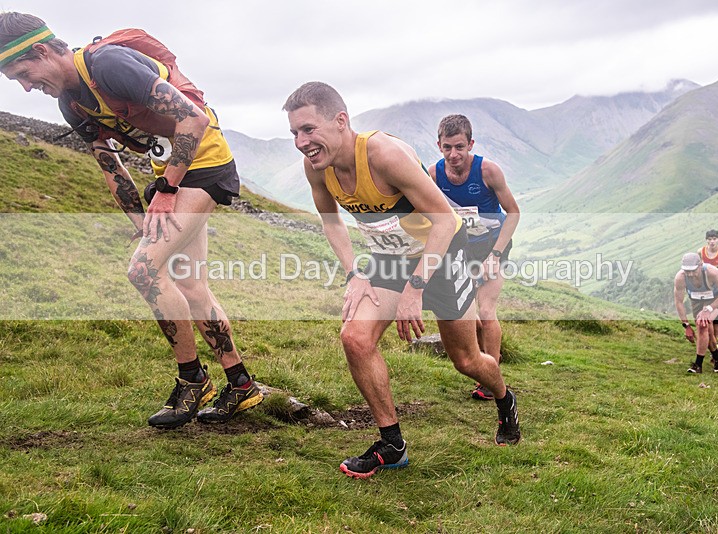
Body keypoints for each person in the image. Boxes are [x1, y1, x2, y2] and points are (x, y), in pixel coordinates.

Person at [0, 13, 262, 428]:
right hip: (170, 172)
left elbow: (193, 118)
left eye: (23, 74)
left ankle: (193, 381)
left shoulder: (108, 65)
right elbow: (112, 167)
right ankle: (242, 385)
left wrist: (168, 191)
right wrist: (140, 219)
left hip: (204, 162)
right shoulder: (70, 102)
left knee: (143, 269)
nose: (27, 87)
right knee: (191, 284)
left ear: (41, 50)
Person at [283, 82, 521, 478]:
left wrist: (416, 287)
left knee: (466, 359)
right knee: (355, 338)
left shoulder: (383, 155)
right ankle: (392, 444)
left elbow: (446, 218)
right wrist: (354, 274)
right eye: (294, 133)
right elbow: (331, 220)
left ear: (340, 121)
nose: (301, 142)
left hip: (442, 254)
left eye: (308, 129)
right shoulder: (316, 167)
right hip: (390, 257)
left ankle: (503, 397)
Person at [428, 114, 520, 401]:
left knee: (486, 310)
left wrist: (495, 255)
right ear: (439, 145)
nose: (453, 155)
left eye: (459, 147)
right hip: (461, 251)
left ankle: (492, 382)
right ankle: (484, 365)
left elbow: (514, 213)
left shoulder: (488, 171)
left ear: (470, 144)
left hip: (493, 245)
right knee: (468, 315)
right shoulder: (433, 174)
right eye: (447, 148)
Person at [673, 252, 718, 373]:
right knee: (708, 331)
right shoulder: (680, 277)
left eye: (693, 271)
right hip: (696, 301)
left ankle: (698, 364)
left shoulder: (712, 272)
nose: (690, 274)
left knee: (702, 325)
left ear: (700, 265)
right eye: (687, 271)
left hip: (715, 299)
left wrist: (709, 309)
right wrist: (686, 325)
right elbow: (679, 302)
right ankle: (717, 358)